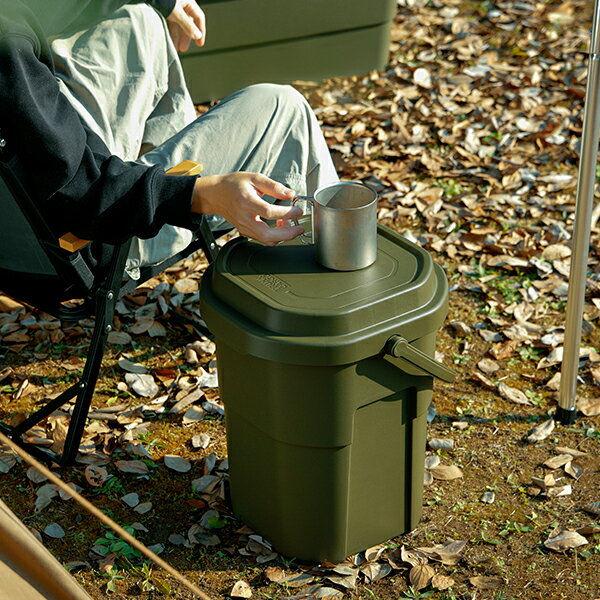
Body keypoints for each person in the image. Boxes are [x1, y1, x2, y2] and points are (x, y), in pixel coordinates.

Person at [0, 0, 338, 278]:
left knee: (137, 19)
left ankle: (164, 162)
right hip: (90, 238)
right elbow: (82, 190)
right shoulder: (8, 47)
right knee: (282, 107)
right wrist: (198, 193)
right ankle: (330, 280)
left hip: (22, 233)